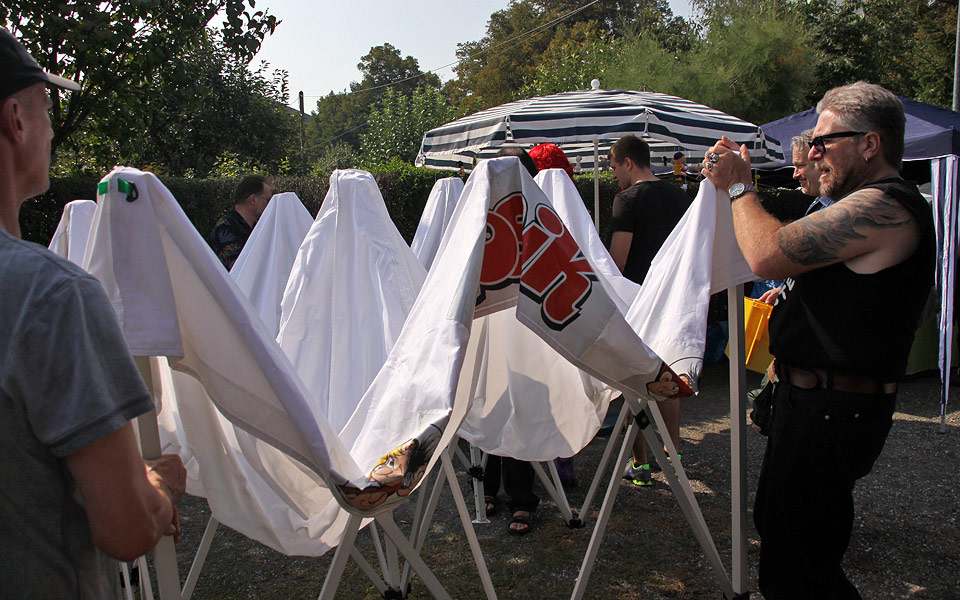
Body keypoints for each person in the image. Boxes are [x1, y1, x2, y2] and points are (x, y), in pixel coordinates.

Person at [702, 81, 934, 599]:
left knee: (798, 570)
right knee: (784, 537)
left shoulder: (886, 205)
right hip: (814, 403)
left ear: (870, 144)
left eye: (824, 142)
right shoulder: (867, 203)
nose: (811, 153)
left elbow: (768, 254)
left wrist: (740, 188)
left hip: (833, 411)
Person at [0, 27, 187, 599]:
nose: (52, 127)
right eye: (46, 106)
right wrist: (159, 488)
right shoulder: (52, 298)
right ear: (16, 120)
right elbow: (127, 528)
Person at [607, 134, 691, 487]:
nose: (614, 175)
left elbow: (618, 261)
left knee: (634, 381)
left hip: (637, 301)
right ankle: (674, 456)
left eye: (614, 167)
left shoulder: (626, 200)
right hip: (674, 299)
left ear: (628, 162)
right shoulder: (681, 196)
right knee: (668, 376)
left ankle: (640, 464)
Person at [483, 146, 541, 535]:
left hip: (526, 329)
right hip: (490, 328)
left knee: (523, 407)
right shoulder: (480, 215)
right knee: (488, 404)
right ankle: (486, 487)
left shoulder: (541, 216)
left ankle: (521, 497)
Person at [209, 174, 272, 269]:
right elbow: (239, 267)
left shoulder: (256, 227)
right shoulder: (225, 227)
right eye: (268, 200)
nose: (270, 204)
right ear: (253, 200)